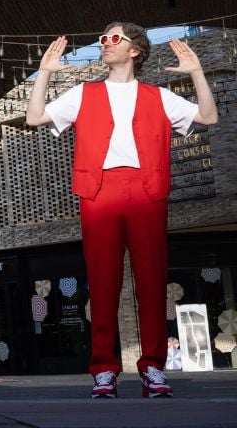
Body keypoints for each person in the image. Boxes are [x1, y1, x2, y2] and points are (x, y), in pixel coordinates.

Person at [25, 23, 217, 399]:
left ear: (135, 50)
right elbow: (34, 117)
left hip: (147, 190)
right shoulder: (83, 93)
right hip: (98, 190)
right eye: (103, 39)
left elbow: (208, 117)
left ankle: (153, 367)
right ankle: (103, 370)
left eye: (114, 39)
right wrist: (44, 72)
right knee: (102, 281)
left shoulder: (159, 96)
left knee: (152, 280)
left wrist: (196, 72)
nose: (105, 44)